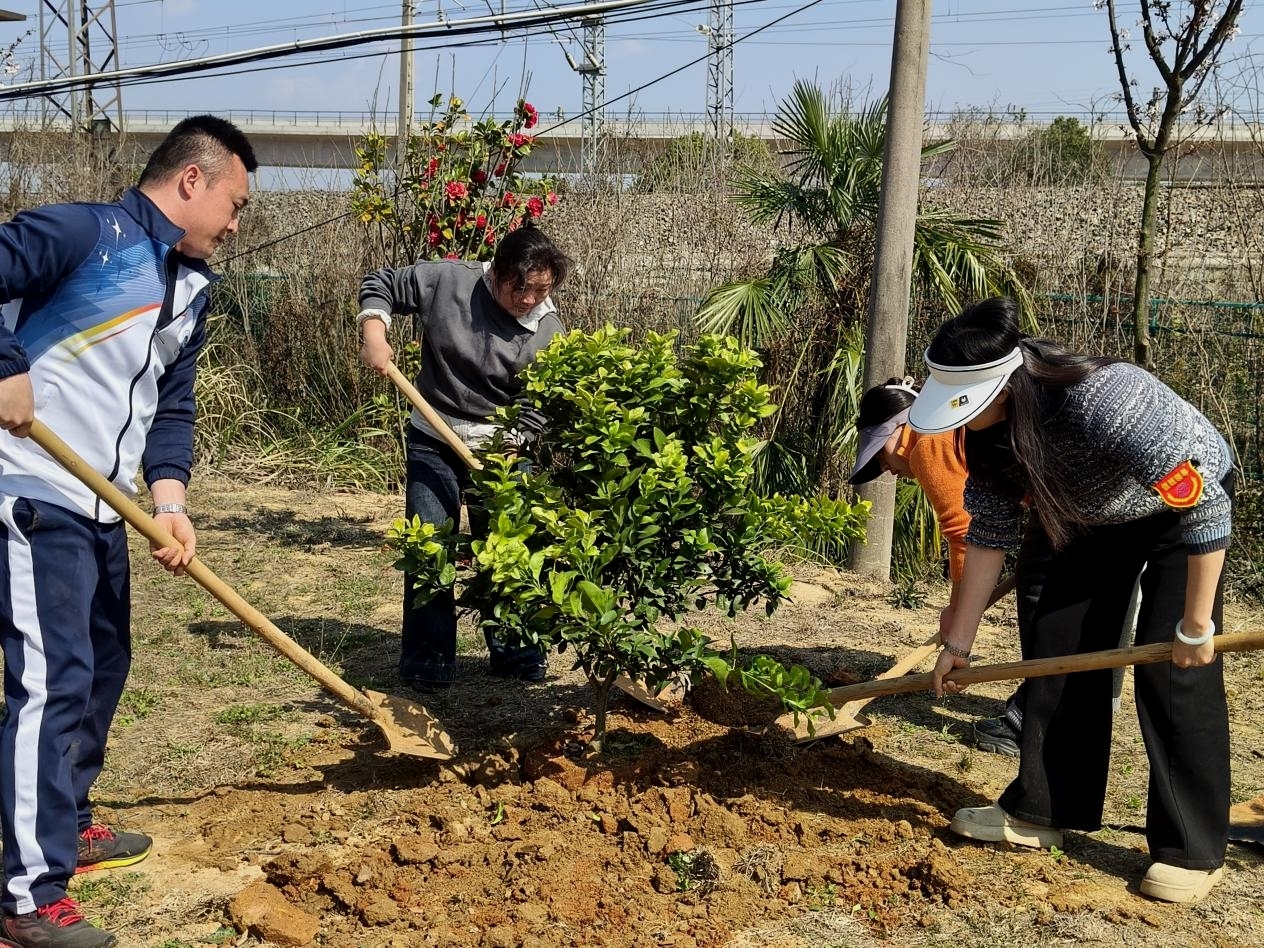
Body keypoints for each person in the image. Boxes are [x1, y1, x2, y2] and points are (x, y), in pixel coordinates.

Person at [0, 116, 257, 948]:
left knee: (107, 661)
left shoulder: (191, 288)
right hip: (33, 487)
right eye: (236, 203)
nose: (236, 222)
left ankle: (63, 825)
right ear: (193, 180)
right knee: (52, 679)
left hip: (105, 503)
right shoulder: (85, 232)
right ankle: (26, 898)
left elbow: (169, 408)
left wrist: (170, 501)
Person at [911, 296, 1234, 905]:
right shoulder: (984, 434)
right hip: (1093, 518)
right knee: (1056, 645)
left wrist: (1196, 624)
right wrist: (959, 638)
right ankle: (1043, 809)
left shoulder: (1102, 400)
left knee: (1172, 671)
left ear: (1003, 388)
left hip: (1181, 510)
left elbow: (1204, 503)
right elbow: (989, 532)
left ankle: (1191, 847)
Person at [357, 227, 571, 691]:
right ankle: (428, 663)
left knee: (511, 550)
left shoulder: (548, 330)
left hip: (501, 450)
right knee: (429, 546)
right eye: (521, 287)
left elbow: (543, 402)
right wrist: (374, 331)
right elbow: (383, 283)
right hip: (433, 435)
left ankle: (517, 652)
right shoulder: (449, 281)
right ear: (495, 273)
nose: (529, 298)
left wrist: (515, 445)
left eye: (541, 290)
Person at [851, 377, 1033, 757]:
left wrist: (959, 615)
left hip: (1068, 508)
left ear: (898, 429)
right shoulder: (941, 426)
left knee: (1045, 611)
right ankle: (1051, 710)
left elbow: (965, 532)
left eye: (881, 457)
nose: (888, 469)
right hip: (1065, 505)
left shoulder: (925, 441)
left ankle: (1033, 719)